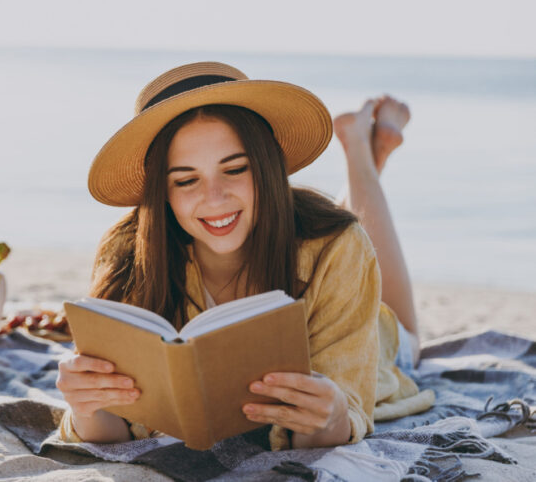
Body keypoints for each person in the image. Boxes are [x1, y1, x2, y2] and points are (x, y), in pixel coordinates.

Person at [56, 62, 434, 450]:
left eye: (235, 169)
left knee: (407, 333)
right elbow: (114, 427)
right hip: (292, 231)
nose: (214, 198)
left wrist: (333, 413)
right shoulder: (126, 252)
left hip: (376, 336)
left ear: (266, 166)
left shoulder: (340, 247)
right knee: (312, 226)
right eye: (186, 180)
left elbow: (346, 409)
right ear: (161, 191)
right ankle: (368, 151)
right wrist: (86, 406)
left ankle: (361, 151)